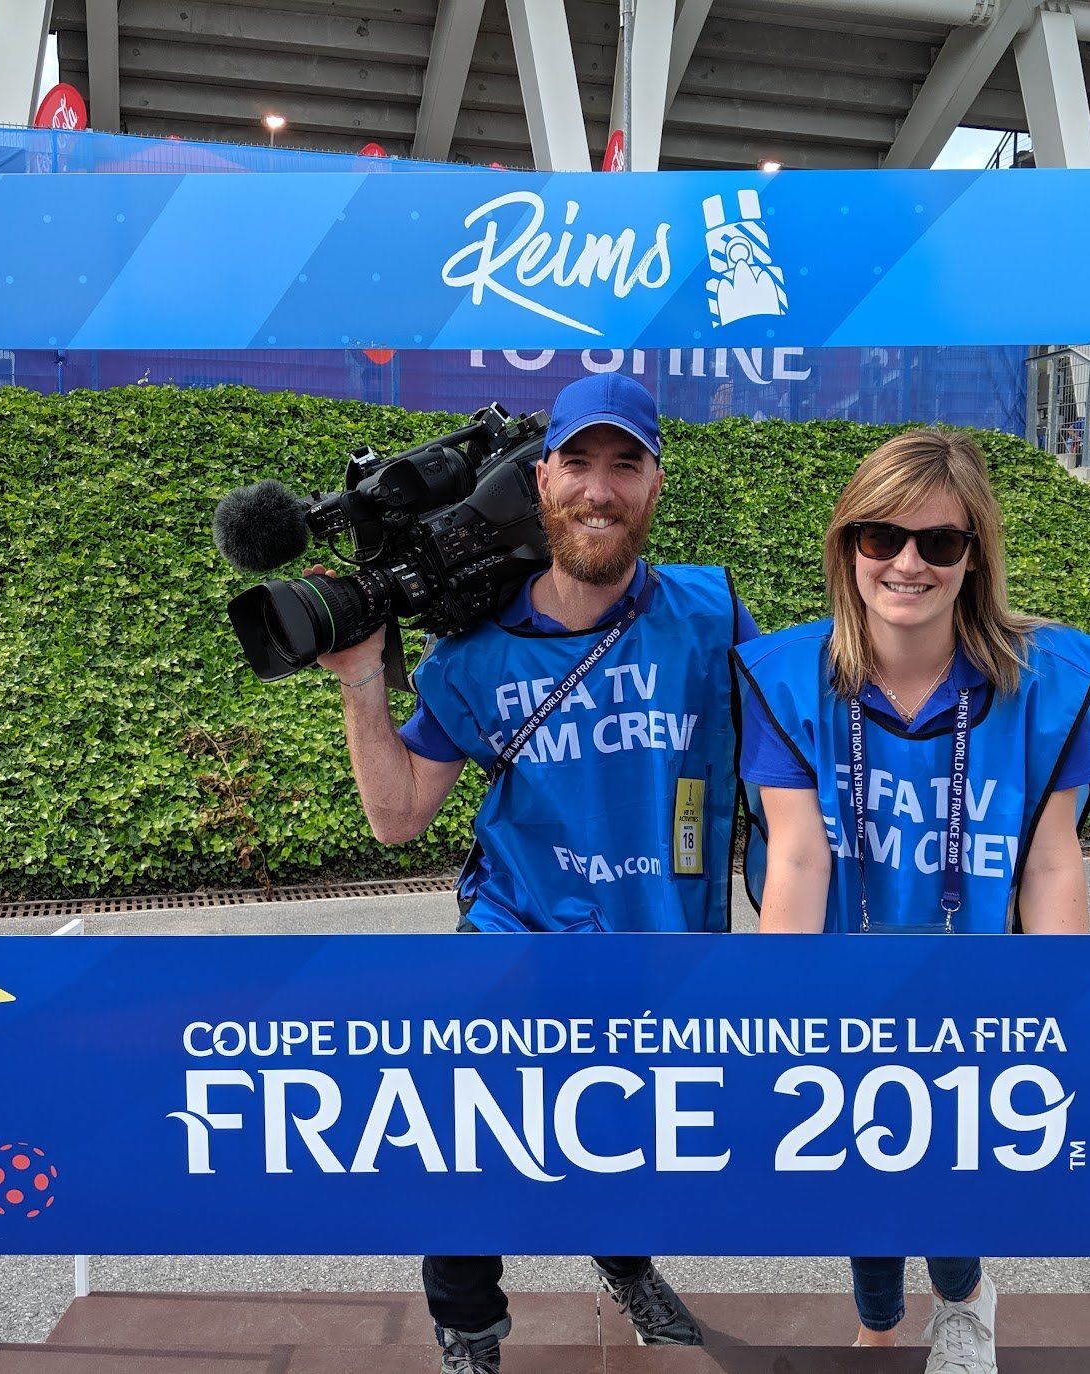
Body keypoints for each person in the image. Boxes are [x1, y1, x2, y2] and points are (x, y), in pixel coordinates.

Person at [316, 372, 759, 1373]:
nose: (599, 489)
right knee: (470, 1134)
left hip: (658, 941)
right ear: (543, 478)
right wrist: (356, 680)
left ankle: (625, 1263)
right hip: (518, 935)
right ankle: (467, 1327)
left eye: (624, 465)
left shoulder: (710, 611)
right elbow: (396, 817)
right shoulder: (475, 653)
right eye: (580, 464)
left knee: (620, 1129)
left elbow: (801, 732)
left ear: (653, 486)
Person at [731, 429, 1090, 1374]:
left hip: (969, 969)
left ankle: (963, 1297)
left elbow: (1051, 861)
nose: (908, 563)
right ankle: (875, 1324)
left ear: (973, 554)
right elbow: (797, 855)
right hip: (849, 959)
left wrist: (1057, 1006)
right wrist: (783, 1003)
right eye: (881, 538)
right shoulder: (790, 679)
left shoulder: (1044, 684)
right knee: (857, 1169)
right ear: (846, 545)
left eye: (938, 543)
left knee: (947, 1172)